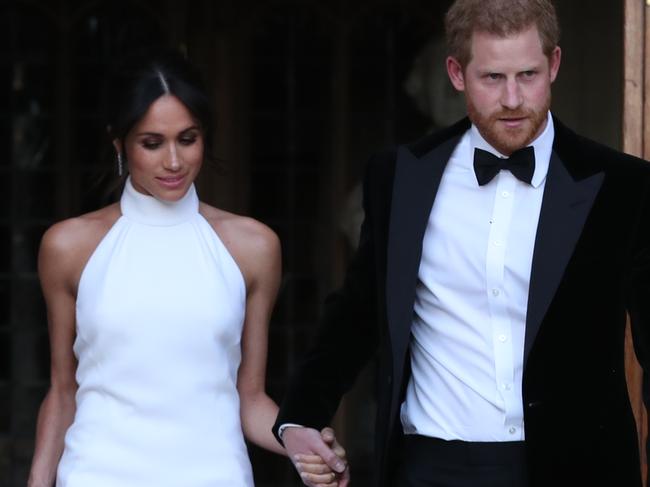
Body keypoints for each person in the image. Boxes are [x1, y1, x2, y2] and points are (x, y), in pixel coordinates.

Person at [273, 0, 650, 486]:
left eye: (528, 75)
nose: (513, 98)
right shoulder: (400, 177)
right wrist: (300, 415)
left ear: (554, 65)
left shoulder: (622, 186)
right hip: (431, 465)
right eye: (493, 78)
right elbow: (359, 311)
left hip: (576, 467)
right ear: (456, 73)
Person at [27, 50, 343, 487]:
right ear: (119, 144)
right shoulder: (68, 247)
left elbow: (248, 398)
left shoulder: (253, 247)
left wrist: (297, 435)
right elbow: (63, 392)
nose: (174, 162)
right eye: (152, 143)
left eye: (188, 138)